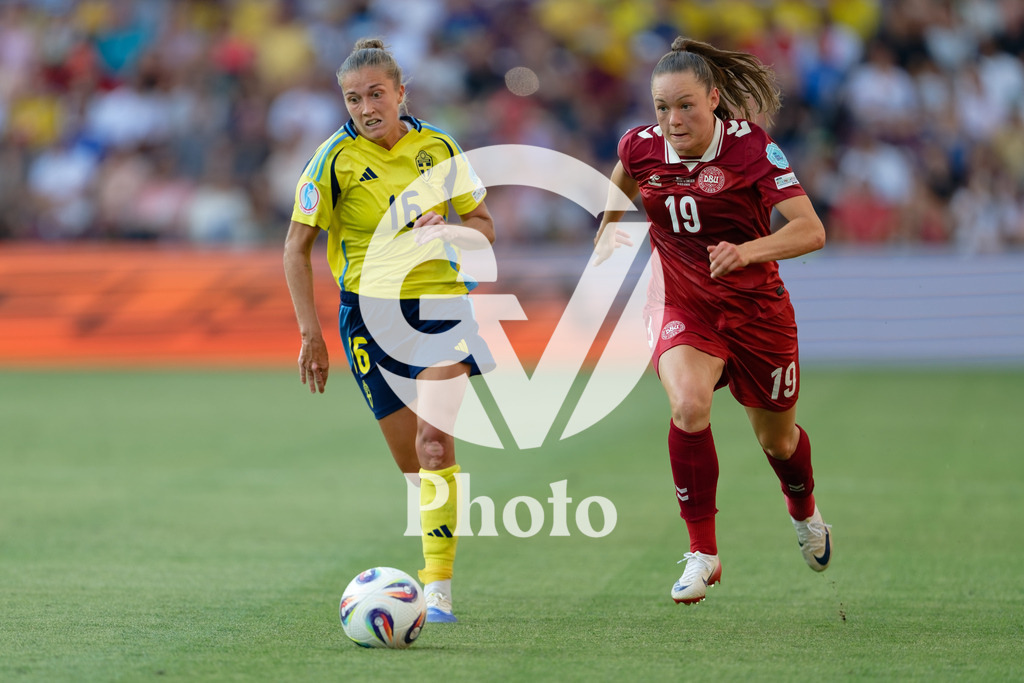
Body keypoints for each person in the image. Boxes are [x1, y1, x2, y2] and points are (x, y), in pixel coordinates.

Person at [594, 37, 831, 605]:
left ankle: (803, 508)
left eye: (685, 106)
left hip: (757, 312)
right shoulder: (642, 146)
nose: (672, 120)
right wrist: (610, 224)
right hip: (684, 307)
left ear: (714, 99)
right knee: (689, 405)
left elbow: (811, 229)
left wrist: (748, 251)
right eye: (661, 108)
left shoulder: (751, 148)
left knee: (778, 442)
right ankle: (703, 553)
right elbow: (624, 172)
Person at [283, 38, 495, 623]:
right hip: (367, 314)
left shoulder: (440, 147)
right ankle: (434, 553)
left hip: (439, 306)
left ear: (402, 93)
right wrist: (311, 334)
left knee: (434, 444)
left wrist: (449, 231)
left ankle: (439, 590)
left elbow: (483, 224)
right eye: (353, 98)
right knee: (412, 466)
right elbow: (295, 249)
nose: (365, 106)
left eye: (376, 93)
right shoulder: (332, 160)